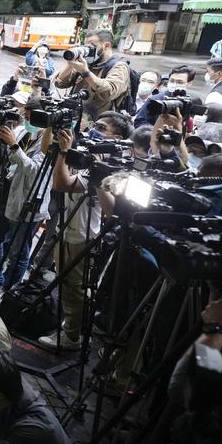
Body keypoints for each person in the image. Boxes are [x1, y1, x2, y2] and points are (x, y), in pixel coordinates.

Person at [37, 120, 127, 351]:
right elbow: (46, 151)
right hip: (66, 230)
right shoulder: (84, 157)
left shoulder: (112, 170)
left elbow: (61, 183)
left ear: (116, 138)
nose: (96, 130)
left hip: (83, 237)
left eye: (103, 128)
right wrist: (59, 142)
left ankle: (72, 337)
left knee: (75, 289)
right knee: (66, 285)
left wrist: (67, 153)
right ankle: (70, 326)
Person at [0, 97, 50, 294]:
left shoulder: (49, 141)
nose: (26, 122)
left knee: (17, 251)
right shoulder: (22, 132)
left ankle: (10, 291)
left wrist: (13, 146)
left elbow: (36, 171)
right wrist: (1, 138)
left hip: (27, 201)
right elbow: (4, 155)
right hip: (4, 192)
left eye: (30, 118)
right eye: (25, 117)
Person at [53, 29, 131, 119]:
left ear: (106, 46)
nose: (88, 50)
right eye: (86, 46)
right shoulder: (87, 62)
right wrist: (70, 64)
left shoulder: (119, 66)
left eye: (92, 47)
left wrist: (85, 72)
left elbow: (108, 92)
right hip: (76, 117)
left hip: (100, 123)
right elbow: (60, 83)